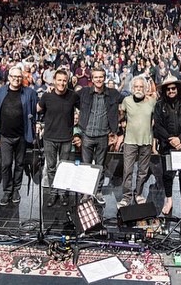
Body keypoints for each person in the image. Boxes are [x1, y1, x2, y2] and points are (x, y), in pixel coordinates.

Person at [76, 67, 123, 205]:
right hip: (87, 134)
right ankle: (86, 192)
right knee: (86, 166)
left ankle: (98, 191)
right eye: (96, 77)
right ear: (92, 78)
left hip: (103, 135)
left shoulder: (113, 94)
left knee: (100, 166)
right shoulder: (84, 92)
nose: (98, 79)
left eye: (101, 77)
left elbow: (129, 98)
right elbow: (70, 98)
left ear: (104, 78)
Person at [0, 65, 38, 206]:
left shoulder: (30, 93)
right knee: (6, 164)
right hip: (5, 135)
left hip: (21, 135)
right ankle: (7, 190)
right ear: (9, 77)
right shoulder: (0, 92)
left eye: (19, 77)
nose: (16, 79)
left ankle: (16, 190)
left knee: (19, 164)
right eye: (14, 76)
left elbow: (34, 111)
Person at [153, 75, 181, 216]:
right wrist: (170, 139)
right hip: (167, 145)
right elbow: (158, 126)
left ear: (178, 88)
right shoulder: (159, 105)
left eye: (173, 88)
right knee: (167, 175)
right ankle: (169, 200)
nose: (171, 91)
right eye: (168, 89)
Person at [37, 69, 79, 207]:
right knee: (51, 167)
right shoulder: (47, 95)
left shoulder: (73, 96)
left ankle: (62, 193)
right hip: (49, 137)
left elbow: (84, 108)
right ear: (54, 81)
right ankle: (53, 192)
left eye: (64, 80)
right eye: (59, 80)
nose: (62, 83)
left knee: (64, 168)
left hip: (66, 138)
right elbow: (37, 109)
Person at [118, 76, 156, 208]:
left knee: (142, 171)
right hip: (130, 141)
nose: (138, 89)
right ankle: (126, 197)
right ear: (132, 88)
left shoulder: (151, 101)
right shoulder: (126, 100)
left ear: (145, 88)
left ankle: (138, 194)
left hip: (146, 141)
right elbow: (121, 116)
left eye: (141, 87)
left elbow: (156, 118)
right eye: (136, 87)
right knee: (127, 170)